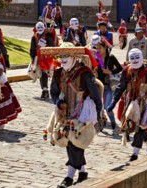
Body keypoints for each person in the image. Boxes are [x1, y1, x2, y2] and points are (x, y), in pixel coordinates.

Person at [44, 42, 102, 187]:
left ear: (74, 56)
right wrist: (58, 102)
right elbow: (54, 93)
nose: (63, 59)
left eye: (66, 56)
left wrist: (99, 114)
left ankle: (69, 177)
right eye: (61, 56)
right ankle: (82, 172)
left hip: (82, 114)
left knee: (76, 143)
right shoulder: (58, 74)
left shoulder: (85, 74)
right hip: (64, 114)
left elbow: (96, 94)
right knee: (70, 143)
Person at [107, 48, 147, 161]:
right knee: (132, 125)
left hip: (146, 103)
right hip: (130, 102)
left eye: (136, 58)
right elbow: (120, 88)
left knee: (141, 126)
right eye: (132, 58)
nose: (134, 61)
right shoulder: (126, 71)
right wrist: (113, 103)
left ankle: (135, 154)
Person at [91, 35, 122, 129]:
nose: (98, 50)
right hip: (98, 86)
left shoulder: (111, 58)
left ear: (105, 48)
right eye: (97, 48)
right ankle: (101, 121)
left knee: (108, 106)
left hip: (108, 86)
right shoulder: (97, 59)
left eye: (100, 47)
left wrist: (111, 71)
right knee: (99, 106)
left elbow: (120, 68)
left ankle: (112, 120)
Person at [29, 22, 55, 99]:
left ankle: (45, 90)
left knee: (44, 73)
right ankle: (44, 90)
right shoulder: (34, 37)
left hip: (47, 58)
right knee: (39, 73)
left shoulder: (48, 36)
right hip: (38, 58)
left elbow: (52, 47)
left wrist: (45, 49)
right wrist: (33, 59)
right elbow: (32, 49)